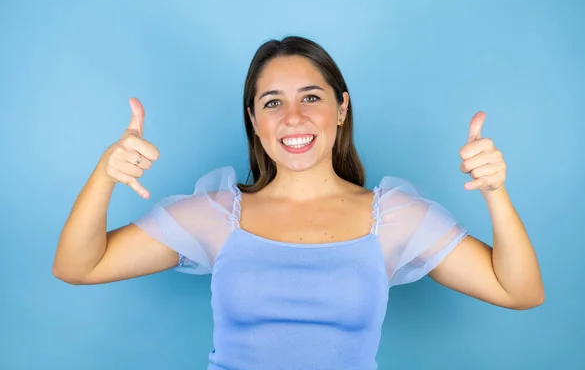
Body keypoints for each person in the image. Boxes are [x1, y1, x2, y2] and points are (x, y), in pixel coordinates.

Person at [53, 36, 544, 370]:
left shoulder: (395, 218)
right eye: (272, 102)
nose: (293, 117)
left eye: (311, 97)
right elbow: (78, 266)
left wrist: (495, 192)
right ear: (253, 119)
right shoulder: (214, 215)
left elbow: (519, 291)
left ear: (341, 108)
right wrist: (105, 174)